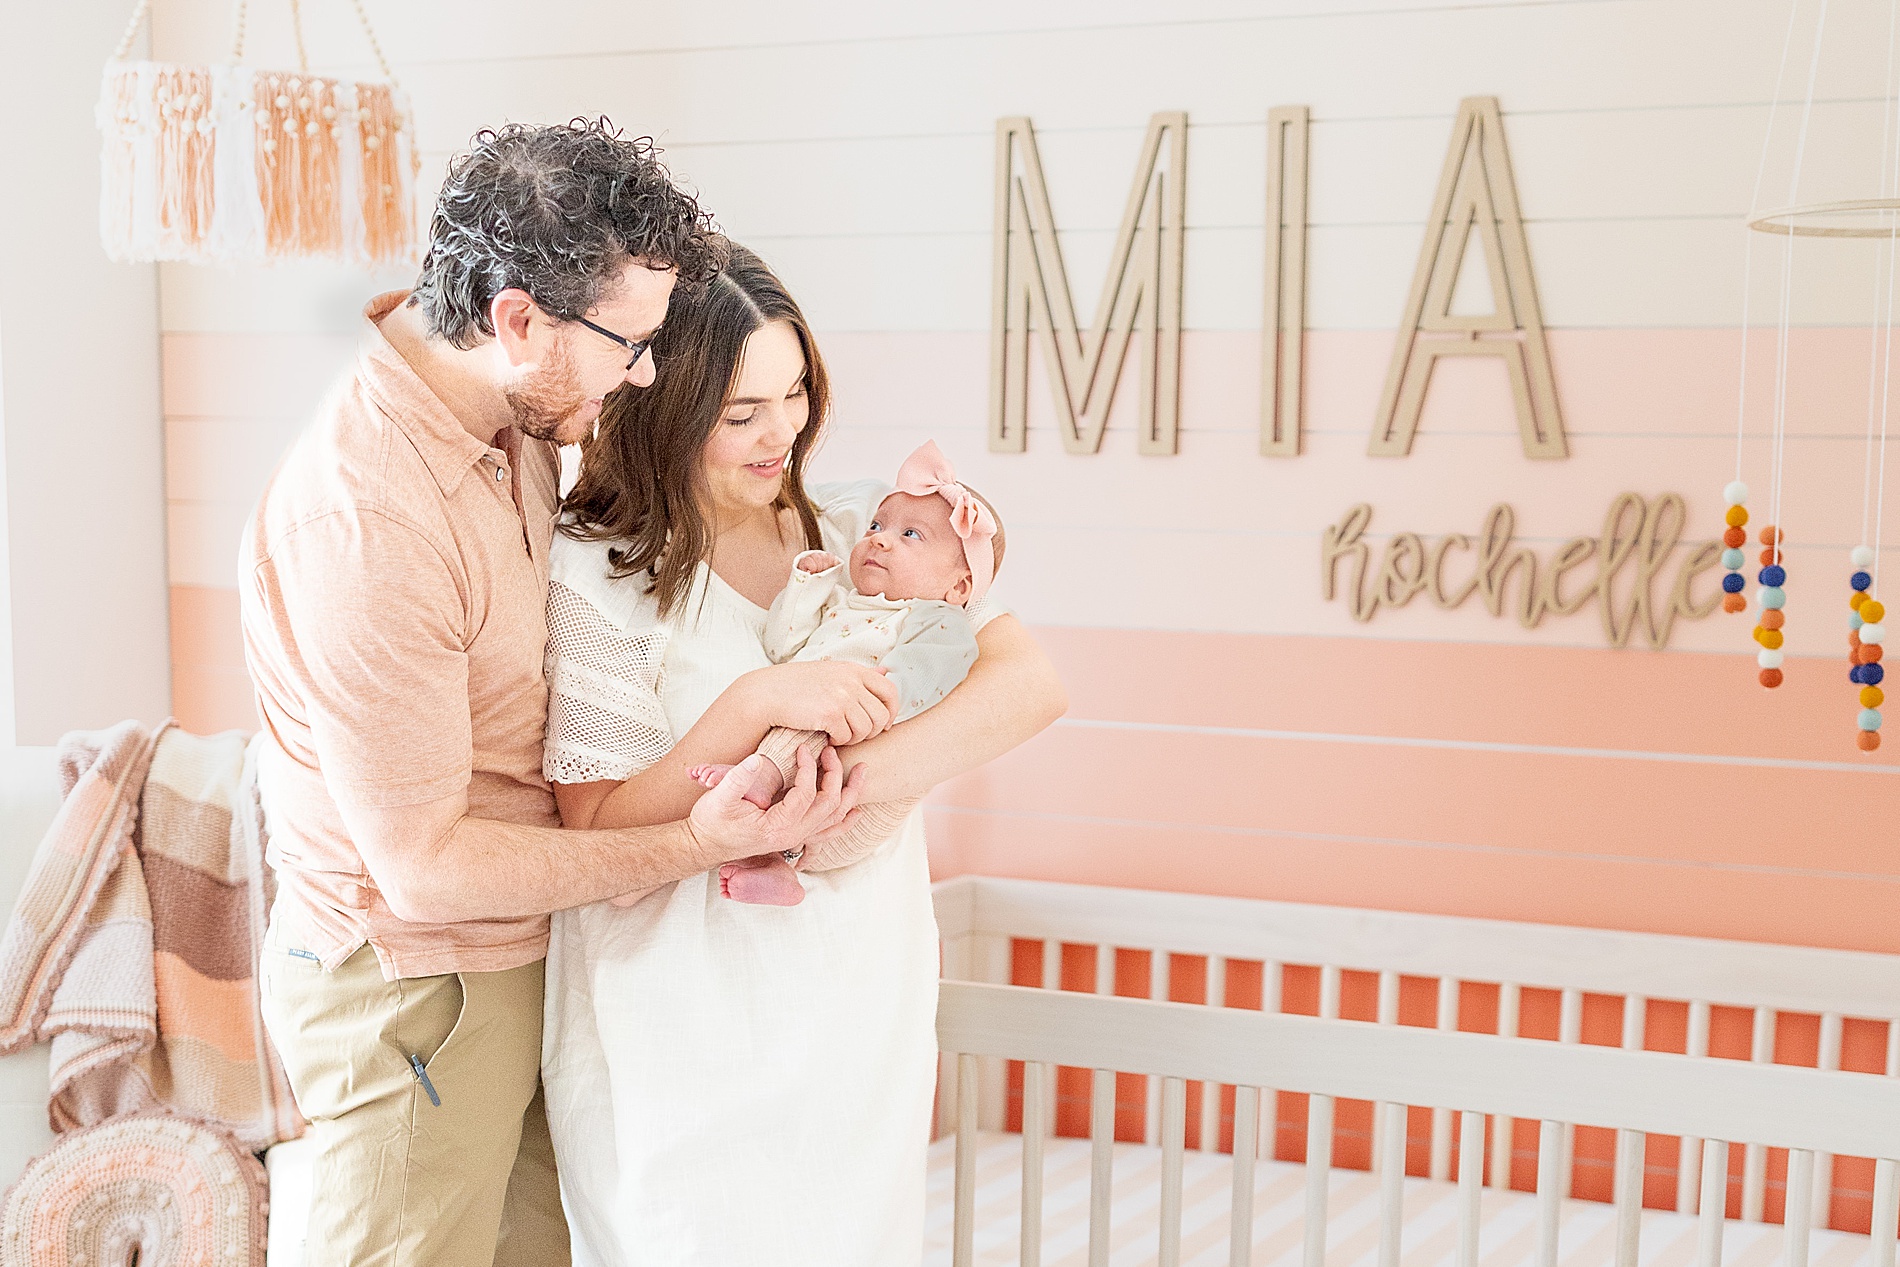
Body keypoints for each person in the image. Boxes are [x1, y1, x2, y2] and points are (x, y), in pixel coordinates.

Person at [241, 122, 879, 1267]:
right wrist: (695, 840)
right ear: (519, 320)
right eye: (627, 343)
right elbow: (425, 868)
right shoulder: (372, 518)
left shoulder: (512, 420)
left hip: (514, 965)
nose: (642, 373)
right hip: (414, 990)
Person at [539, 243, 1067, 1265]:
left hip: (853, 1009)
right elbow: (595, 827)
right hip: (678, 1033)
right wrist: (754, 707)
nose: (782, 432)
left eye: (797, 393)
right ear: (661, 404)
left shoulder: (858, 531)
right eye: (743, 412)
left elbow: (1027, 685)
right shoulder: (599, 573)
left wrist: (843, 794)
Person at [688, 438, 1005, 906]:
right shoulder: (842, 602)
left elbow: (928, 675)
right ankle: (778, 864)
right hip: (824, 748)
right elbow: (782, 646)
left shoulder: (938, 621)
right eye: (877, 525)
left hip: (869, 768)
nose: (878, 538)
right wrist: (808, 586)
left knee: (810, 748)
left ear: (958, 585)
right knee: (796, 759)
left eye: (910, 535)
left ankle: (760, 781)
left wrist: (876, 700)